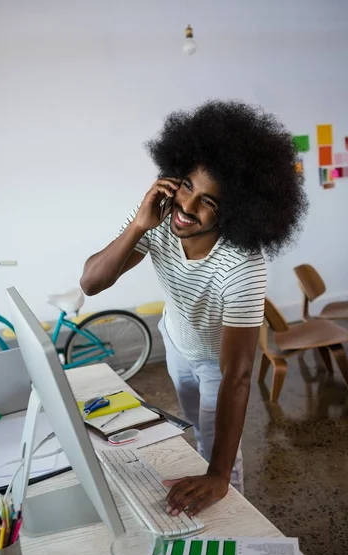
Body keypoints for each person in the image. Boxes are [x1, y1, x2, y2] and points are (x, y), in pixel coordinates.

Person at [80, 100, 307, 516]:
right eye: (187, 185)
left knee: (218, 452)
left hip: (214, 363)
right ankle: (210, 473)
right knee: (196, 431)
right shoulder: (160, 215)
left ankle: (234, 511)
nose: (187, 207)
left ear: (238, 214)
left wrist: (218, 475)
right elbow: (92, 283)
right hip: (176, 338)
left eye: (210, 203)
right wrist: (137, 227)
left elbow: (237, 376)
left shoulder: (242, 267)